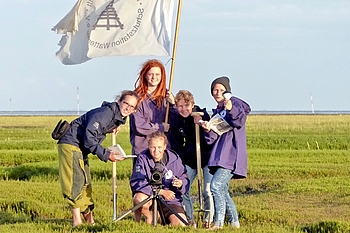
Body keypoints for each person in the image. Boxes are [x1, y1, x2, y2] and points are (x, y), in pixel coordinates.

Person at [57, 90, 139, 227]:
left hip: (81, 148)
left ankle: (90, 221)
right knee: (75, 182)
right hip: (71, 143)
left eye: (132, 107)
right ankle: (77, 223)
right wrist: (107, 155)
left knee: (86, 182)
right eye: (126, 103)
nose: (128, 108)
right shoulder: (106, 113)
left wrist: (115, 125)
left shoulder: (116, 117)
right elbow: (89, 137)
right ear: (119, 102)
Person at [200, 76, 251, 230]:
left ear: (227, 91)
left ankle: (218, 223)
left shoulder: (235, 104)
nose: (218, 93)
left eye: (221, 90)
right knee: (222, 189)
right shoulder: (217, 112)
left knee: (215, 186)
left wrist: (231, 108)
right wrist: (207, 129)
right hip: (219, 155)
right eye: (215, 90)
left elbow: (239, 120)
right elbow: (211, 139)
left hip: (232, 155)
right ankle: (235, 223)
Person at [168, 90, 214, 228]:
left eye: (186, 106)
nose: (184, 109)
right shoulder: (177, 120)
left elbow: (210, 132)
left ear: (192, 105)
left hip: (206, 158)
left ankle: (208, 220)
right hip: (189, 159)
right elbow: (176, 143)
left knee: (208, 190)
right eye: (180, 106)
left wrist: (200, 122)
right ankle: (189, 219)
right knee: (183, 188)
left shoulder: (200, 114)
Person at [130, 131, 189, 226]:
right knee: (139, 199)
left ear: (165, 146)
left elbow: (185, 179)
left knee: (181, 226)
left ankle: (163, 218)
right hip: (149, 196)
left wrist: (181, 183)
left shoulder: (174, 159)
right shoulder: (142, 158)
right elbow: (137, 182)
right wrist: (159, 191)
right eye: (153, 147)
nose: (156, 151)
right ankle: (148, 219)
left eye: (159, 147)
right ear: (148, 146)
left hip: (170, 200)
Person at [129, 59, 174, 157]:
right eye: (151, 74)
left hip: (162, 150)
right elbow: (139, 126)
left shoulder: (167, 96)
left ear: (162, 76)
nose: (154, 77)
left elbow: (175, 121)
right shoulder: (136, 98)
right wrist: (160, 127)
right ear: (145, 75)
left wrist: (173, 104)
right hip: (142, 150)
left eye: (157, 74)